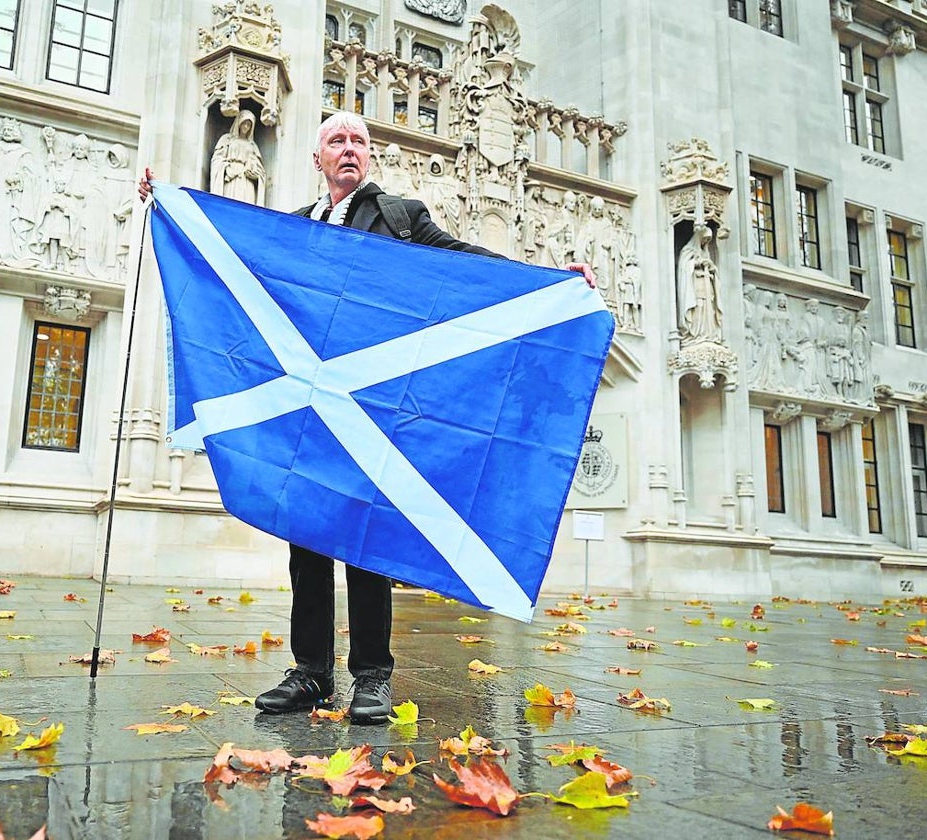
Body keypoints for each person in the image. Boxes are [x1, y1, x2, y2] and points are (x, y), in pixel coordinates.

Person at [137, 111, 594, 724]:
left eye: (358, 141)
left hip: (373, 412)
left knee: (368, 541)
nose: (348, 149)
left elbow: (467, 266)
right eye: (336, 140)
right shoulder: (293, 229)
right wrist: (168, 206)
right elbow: (229, 263)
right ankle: (310, 674)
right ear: (318, 157)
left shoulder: (400, 217)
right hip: (307, 416)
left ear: (370, 157)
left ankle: (372, 677)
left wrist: (548, 283)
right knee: (305, 541)